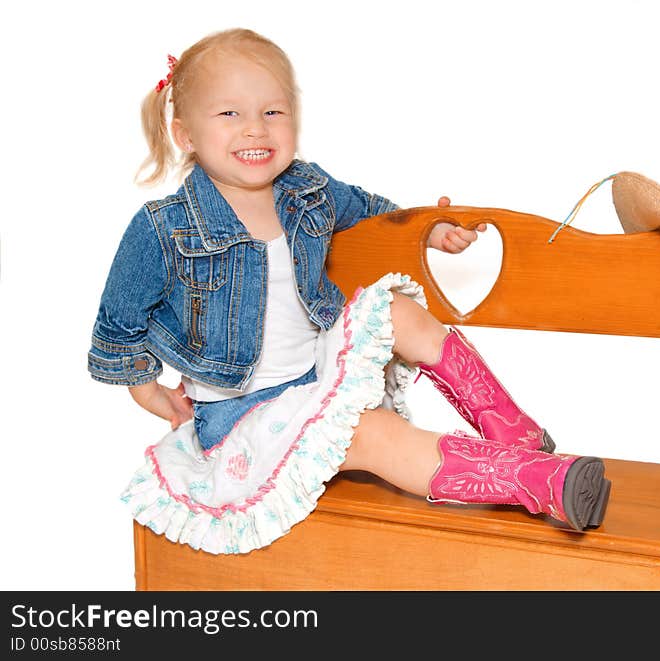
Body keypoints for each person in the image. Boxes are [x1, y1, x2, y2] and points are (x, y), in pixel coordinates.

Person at [90, 28, 610, 554]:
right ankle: (538, 482)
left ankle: (515, 433)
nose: (255, 129)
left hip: (314, 371)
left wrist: (425, 229)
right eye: (230, 114)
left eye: (273, 112)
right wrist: (147, 388)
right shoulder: (164, 227)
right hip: (242, 415)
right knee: (374, 434)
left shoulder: (306, 188)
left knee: (397, 310)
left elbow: (369, 210)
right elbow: (119, 321)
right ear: (185, 135)